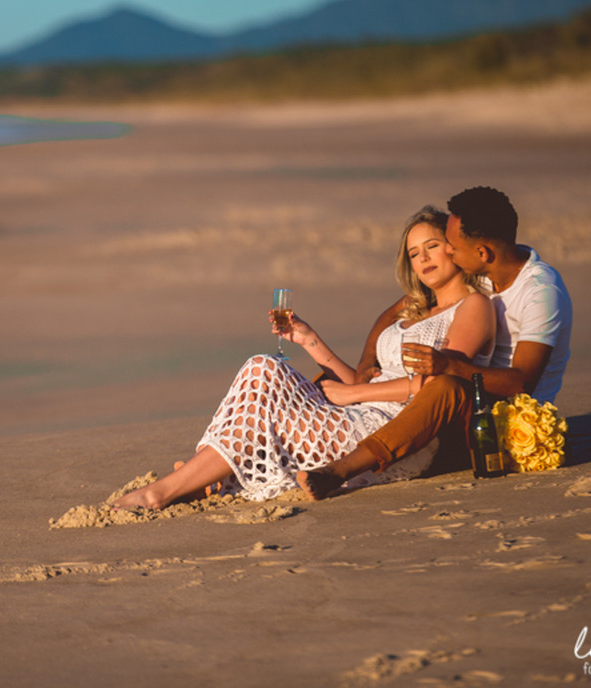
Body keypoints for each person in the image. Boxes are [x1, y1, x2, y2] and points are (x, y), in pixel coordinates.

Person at [112, 206, 496, 510]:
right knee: (263, 368)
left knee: (268, 416)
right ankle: (203, 476)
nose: (423, 258)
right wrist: (309, 339)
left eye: (432, 246)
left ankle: (168, 490)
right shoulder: (411, 310)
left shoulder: (473, 306)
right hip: (360, 410)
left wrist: (354, 395)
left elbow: (442, 384)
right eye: (414, 253)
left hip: (396, 432)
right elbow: (359, 383)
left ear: (452, 247)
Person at [299, 186, 573, 500]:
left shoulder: (540, 293)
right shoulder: (483, 271)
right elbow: (391, 313)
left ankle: (341, 471)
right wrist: (366, 363)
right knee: (317, 386)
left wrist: (449, 365)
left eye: (451, 246)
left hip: (502, 421)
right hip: (462, 399)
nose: (449, 252)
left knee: (446, 386)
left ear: (482, 252)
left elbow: (521, 382)